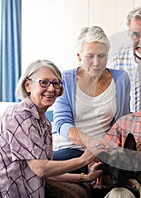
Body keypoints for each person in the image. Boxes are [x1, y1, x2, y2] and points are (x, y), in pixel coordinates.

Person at [0, 59, 101, 198]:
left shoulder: (45, 123)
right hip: (10, 193)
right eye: (44, 82)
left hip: (33, 189)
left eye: (56, 83)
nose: (52, 89)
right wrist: (83, 160)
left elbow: (49, 173)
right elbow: (41, 169)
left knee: (79, 192)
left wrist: (86, 178)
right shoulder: (19, 115)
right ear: (28, 85)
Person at [52, 25, 131, 176]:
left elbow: (123, 122)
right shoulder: (65, 79)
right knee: (59, 165)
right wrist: (92, 146)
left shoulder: (121, 79)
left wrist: (104, 150)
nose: (96, 62)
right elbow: (62, 123)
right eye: (90, 56)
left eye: (101, 56)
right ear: (79, 56)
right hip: (70, 147)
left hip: (105, 150)